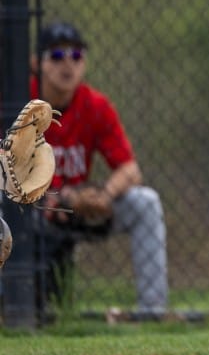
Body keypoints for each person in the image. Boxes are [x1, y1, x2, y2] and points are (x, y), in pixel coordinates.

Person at [31, 21, 169, 319]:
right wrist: (50, 197)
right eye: (56, 56)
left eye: (76, 55)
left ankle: (153, 312)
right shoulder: (21, 102)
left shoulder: (95, 105)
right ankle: (18, 310)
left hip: (79, 208)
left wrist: (105, 194)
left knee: (144, 202)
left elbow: (130, 170)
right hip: (29, 209)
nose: (67, 64)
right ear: (36, 63)